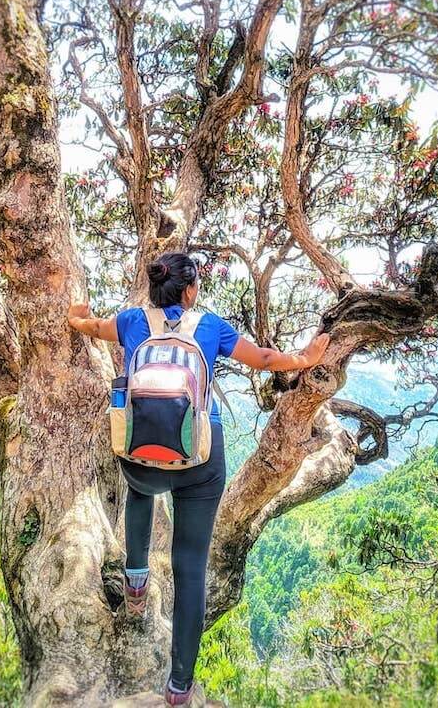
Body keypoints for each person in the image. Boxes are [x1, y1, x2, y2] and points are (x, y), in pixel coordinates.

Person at [67, 252, 330, 706]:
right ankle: (179, 686)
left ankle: (135, 579)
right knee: (191, 568)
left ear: (154, 287)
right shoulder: (209, 327)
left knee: (139, 488)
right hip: (198, 464)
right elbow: (265, 360)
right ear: (189, 290)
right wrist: (305, 357)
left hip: (140, 457)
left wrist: (80, 319)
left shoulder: (131, 321)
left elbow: (93, 328)